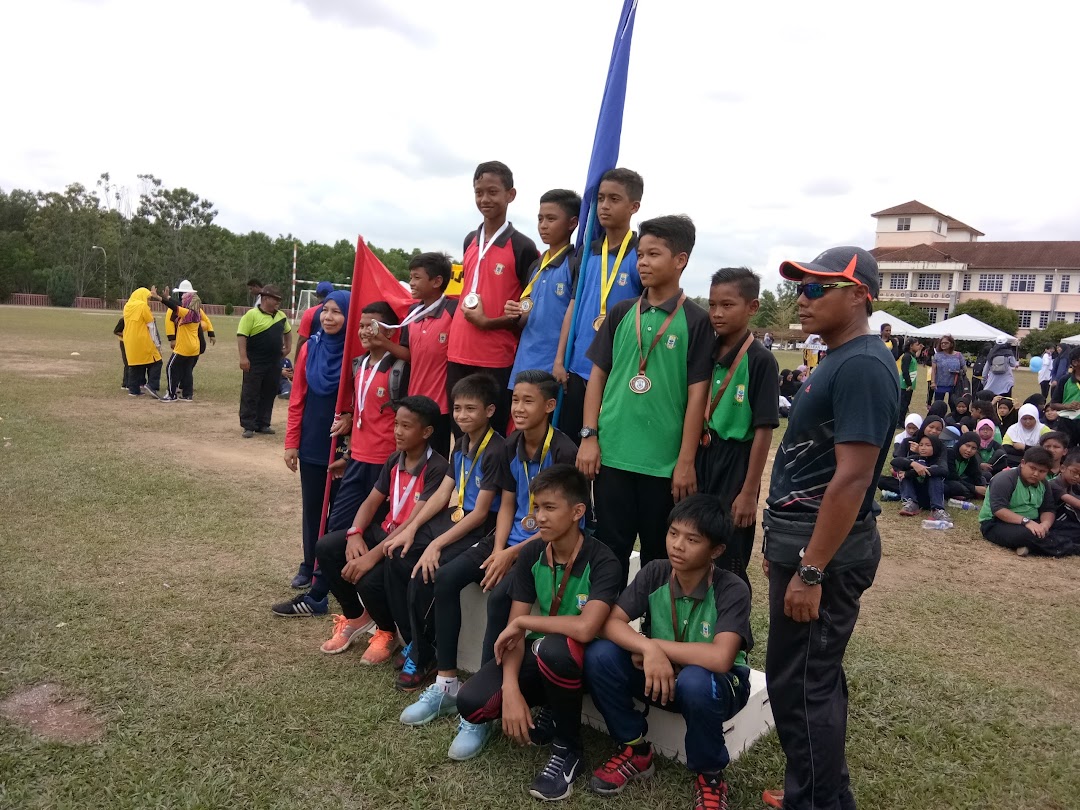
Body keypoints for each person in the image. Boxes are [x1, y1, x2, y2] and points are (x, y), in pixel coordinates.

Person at [760, 246, 899, 810]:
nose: (802, 298)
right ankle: (816, 790)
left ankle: (815, 801)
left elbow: (852, 480)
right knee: (806, 675)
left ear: (859, 295)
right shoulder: (837, 358)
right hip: (800, 546)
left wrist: (810, 570)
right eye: (801, 287)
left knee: (804, 685)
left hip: (825, 559)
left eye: (818, 288)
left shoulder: (863, 365)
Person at [452, 465, 622, 802]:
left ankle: (568, 749)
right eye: (536, 508)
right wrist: (511, 688)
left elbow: (587, 628)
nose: (538, 518)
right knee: (472, 704)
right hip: (540, 652)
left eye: (549, 508)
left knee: (553, 649)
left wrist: (525, 623)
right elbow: (516, 633)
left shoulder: (603, 560)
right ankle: (545, 706)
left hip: (585, 663)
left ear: (577, 512)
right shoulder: (532, 552)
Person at [431, 372, 579, 746]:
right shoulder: (510, 444)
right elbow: (509, 503)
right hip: (507, 540)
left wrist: (512, 555)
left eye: (528, 401)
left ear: (549, 406)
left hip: (543, 545)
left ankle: (481, 708)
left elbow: (561, 524)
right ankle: (447, 682)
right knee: (447, 578)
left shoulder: (564, 451)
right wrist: (498, 550)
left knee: (499, 600)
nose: (519, 408)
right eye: (516, 401)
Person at [585, 494, 752, 808]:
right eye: (673, 534)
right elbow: (610, 624)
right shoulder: (656, 572)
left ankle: (710, 776)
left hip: (717, 686)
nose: (677, 545)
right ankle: (635, 749)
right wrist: (647, 648)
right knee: (600, 655)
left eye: (692, 539)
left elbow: (720, 658)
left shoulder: (732, 588)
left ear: (716, 550)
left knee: (696, 680)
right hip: (658, 676)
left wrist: (656, 648)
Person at [578, 215, 714, 586]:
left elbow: (697, 395)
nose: (643, 262)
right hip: (614, 455)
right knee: (609, 551)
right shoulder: (622, 312)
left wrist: (685, 461)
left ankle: (654, 638)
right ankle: (605, 635)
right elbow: (598, 378)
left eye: (654, 254)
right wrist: (589, 436)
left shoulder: (697, 320)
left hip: (663, 464)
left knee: (660, 555)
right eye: (640, 254)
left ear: (680, 260)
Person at [388, 373, 507, 693]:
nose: (462, 415)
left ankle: (423, 654)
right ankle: (417, 643)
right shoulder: (462, 444)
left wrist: (436, 545)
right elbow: (443, 493)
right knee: (398, 556)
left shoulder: (496, 450)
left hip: (478, 528)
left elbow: (481, 512)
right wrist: (411, 529)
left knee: (424, 573)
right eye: (457, 408)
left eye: (471, 408)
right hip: (455, 520)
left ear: (490, 411)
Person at [313, 396, 450, 660]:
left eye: (406, 426)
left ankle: (387, 632)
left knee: (368, 578)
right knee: (328, 547)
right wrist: (354, 534)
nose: (397, 431)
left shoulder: (438, 467)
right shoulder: (394, 459)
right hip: (385, 532)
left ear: (427, 432)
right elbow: (371, 501)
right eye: (396, 424)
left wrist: (370, 557)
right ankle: (355, 617)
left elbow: (413, 522)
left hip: (408, 541)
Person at [695, 266, 779, 583]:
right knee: (694, 541)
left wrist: (748, 492)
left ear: (752, 307)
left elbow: (764, 431)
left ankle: (734, 628)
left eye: (727, 305)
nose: (717, 313)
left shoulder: (760, 361)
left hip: (736, 463)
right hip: (702, 454)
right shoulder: (704, 351)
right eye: (713, 304)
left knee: (729, 552)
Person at [446, 161, 540, 435]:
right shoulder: (469, 241)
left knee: (493, 432)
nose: (484, 199)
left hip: (496, 356)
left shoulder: (523, 247)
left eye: (492, 192)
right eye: (478, 192)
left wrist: (491, 322)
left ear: (510, 195)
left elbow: (527, 308)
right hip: (459, 350)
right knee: (460, 429)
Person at [271, 291, 351, 610]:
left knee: (341, 511)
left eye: (337, 312)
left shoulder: (355, 353)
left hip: (344, 444)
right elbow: (298, 398)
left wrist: (351, 418)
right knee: (313, 509)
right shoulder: (310, 349)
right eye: (325, 311)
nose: (329, 317)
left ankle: (331, 572)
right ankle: (309, 564)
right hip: (312, 440)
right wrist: (292, 442)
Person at [558, 168, 645, 442]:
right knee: (571, 452)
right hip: (575, 369)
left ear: (634, 206)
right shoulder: (586, 251)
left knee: (604, 451)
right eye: (601, 198)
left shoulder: (641, 253)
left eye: (614, 199)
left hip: (616, 372)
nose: (605, 206)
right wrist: (560, 360)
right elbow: (573, 305)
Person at [324, 302, 408, 536]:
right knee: (337, 526)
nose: (363, 331)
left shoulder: (400, 369)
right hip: (356, 461)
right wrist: (349, 455)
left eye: (370, 326)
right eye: (360, 326)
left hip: (385, 462)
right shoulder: (358, 365)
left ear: (389, 331)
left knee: (374, 529)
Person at [508, 189, 581, 396]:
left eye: (551, 219)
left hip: (552, 365)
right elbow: (526, 318)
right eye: (540, 219)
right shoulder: (535, 266)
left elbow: (573, 316)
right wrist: (515, 315)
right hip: (524, 361)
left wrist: (559, 361)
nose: (543, 225)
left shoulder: (574, 264)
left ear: (572, 223)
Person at [390, 252, 458, 458]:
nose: (411, 282)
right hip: (412, 403)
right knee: (410, 458)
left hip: (441, 407)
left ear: (437, 281)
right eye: (410, 277)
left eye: (417, 277)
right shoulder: (412, 312)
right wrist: (382, 342)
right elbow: (408, 354)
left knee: (435, 461)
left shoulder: (454, 311)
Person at [978, 447, 1057, 557]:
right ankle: (1059, 547)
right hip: (996, 523)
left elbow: (1048, 509)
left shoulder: (1044, 483)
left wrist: (1045, 525)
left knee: (1059, 527)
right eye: (1032, 468)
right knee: (1029, 535)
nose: (1036, 474)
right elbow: (999, 510)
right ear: (1023, 463)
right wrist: (1027, 522)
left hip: (1032, 522)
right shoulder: (1005, 479)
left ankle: (1030, 546)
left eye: (1042, 471)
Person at [236, 284, 292, 438]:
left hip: (274, 361)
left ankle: (263, 423)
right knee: (251, 392)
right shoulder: (251, 315)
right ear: (265, 298)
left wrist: (288, 348)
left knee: (269, 391)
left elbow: (288, 332)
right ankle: (248, 425)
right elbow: (241, 336)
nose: (278, 303)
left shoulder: (281, 316)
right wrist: (243, 357)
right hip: (255, 360)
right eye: (276, 299)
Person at [162, 285, 215, 402]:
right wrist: (168, 297)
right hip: (195, 348)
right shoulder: (196, 314)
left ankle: (171, 395)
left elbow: (174, 307)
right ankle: (188, 395)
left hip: (184, 348)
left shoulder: (186, 313)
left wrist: (161, 298)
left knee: (170, 367)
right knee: (187, 370)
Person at [123, 286, 166, 398]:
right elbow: (151, 326)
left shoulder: (127, 306)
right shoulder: (143, 306)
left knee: (135, 363)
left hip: (129, 339)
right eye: (148, 299)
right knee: (157, 361)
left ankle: (133, 390)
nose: (148, 302)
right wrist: (157, 345)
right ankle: (152, 385)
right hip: (142, 339)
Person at [894, 434, 949, 519]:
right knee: (904, 470)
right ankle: (911, 503)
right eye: (921, 445)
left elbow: (943, 471)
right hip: (916, 496)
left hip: (930, 497)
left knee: (934, 470)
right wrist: (913, 464)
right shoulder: (915, 458)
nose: (923, 448)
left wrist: (910, 473)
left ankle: (937, 509)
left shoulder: (939, 460)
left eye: (928, 445)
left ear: (935, 447)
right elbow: (895, 462)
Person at [1045, 451, 1080, 555]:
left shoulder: (1074, 485)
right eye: (1074, 472)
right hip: (1054, 522)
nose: (1077, 477)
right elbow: (1076, 503)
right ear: (1063, 468)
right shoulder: (1054, 484)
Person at [294, 280, 335, 361]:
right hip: (333, 357)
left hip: (313, 358)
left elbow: (302, 340)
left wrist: (296, 362)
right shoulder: (339, 312)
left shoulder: (309, 313)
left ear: (316, 295)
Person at [946, 433, 987, 500]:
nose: (969, 450)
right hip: (948, 481)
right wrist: (974, 488)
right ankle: (967, 494)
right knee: (958, 487)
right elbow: (952, 476)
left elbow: (976, 473)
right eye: (967, 446)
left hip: (959, 479)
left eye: (973, 448)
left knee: (983, 478)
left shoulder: (971, 457)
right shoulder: (950, 453)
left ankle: (969, 495)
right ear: (961, 443)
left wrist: (982, 487)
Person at [931, 333, 966, 409]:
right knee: (938, 404)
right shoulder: (937, 355)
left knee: (953, 403)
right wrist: (933, 382)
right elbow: (933, 370)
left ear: (951, 344)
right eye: (942, 343)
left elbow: (964, 369)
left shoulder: (958, 355)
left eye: (946, 343)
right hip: (940, 384)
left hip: (954, 385)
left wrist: (959, 371)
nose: (943, 344)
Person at [896, 338, 922, 427]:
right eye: (917, 344)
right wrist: (909, 383)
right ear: (911, 346)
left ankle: (901, 420)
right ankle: (899, 422)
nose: (918, 346)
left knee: (906, 404)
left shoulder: (912, 355)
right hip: (905, 384)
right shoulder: (907, 356)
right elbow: (905, 370)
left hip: (908, 384)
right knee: (903, 404)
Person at [113, 315, 130, 391]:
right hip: (124, 342)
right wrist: (126, 335)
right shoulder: (123, 320)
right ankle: (125, 384)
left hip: (134, 342)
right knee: (127, 363)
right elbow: (116, 331)